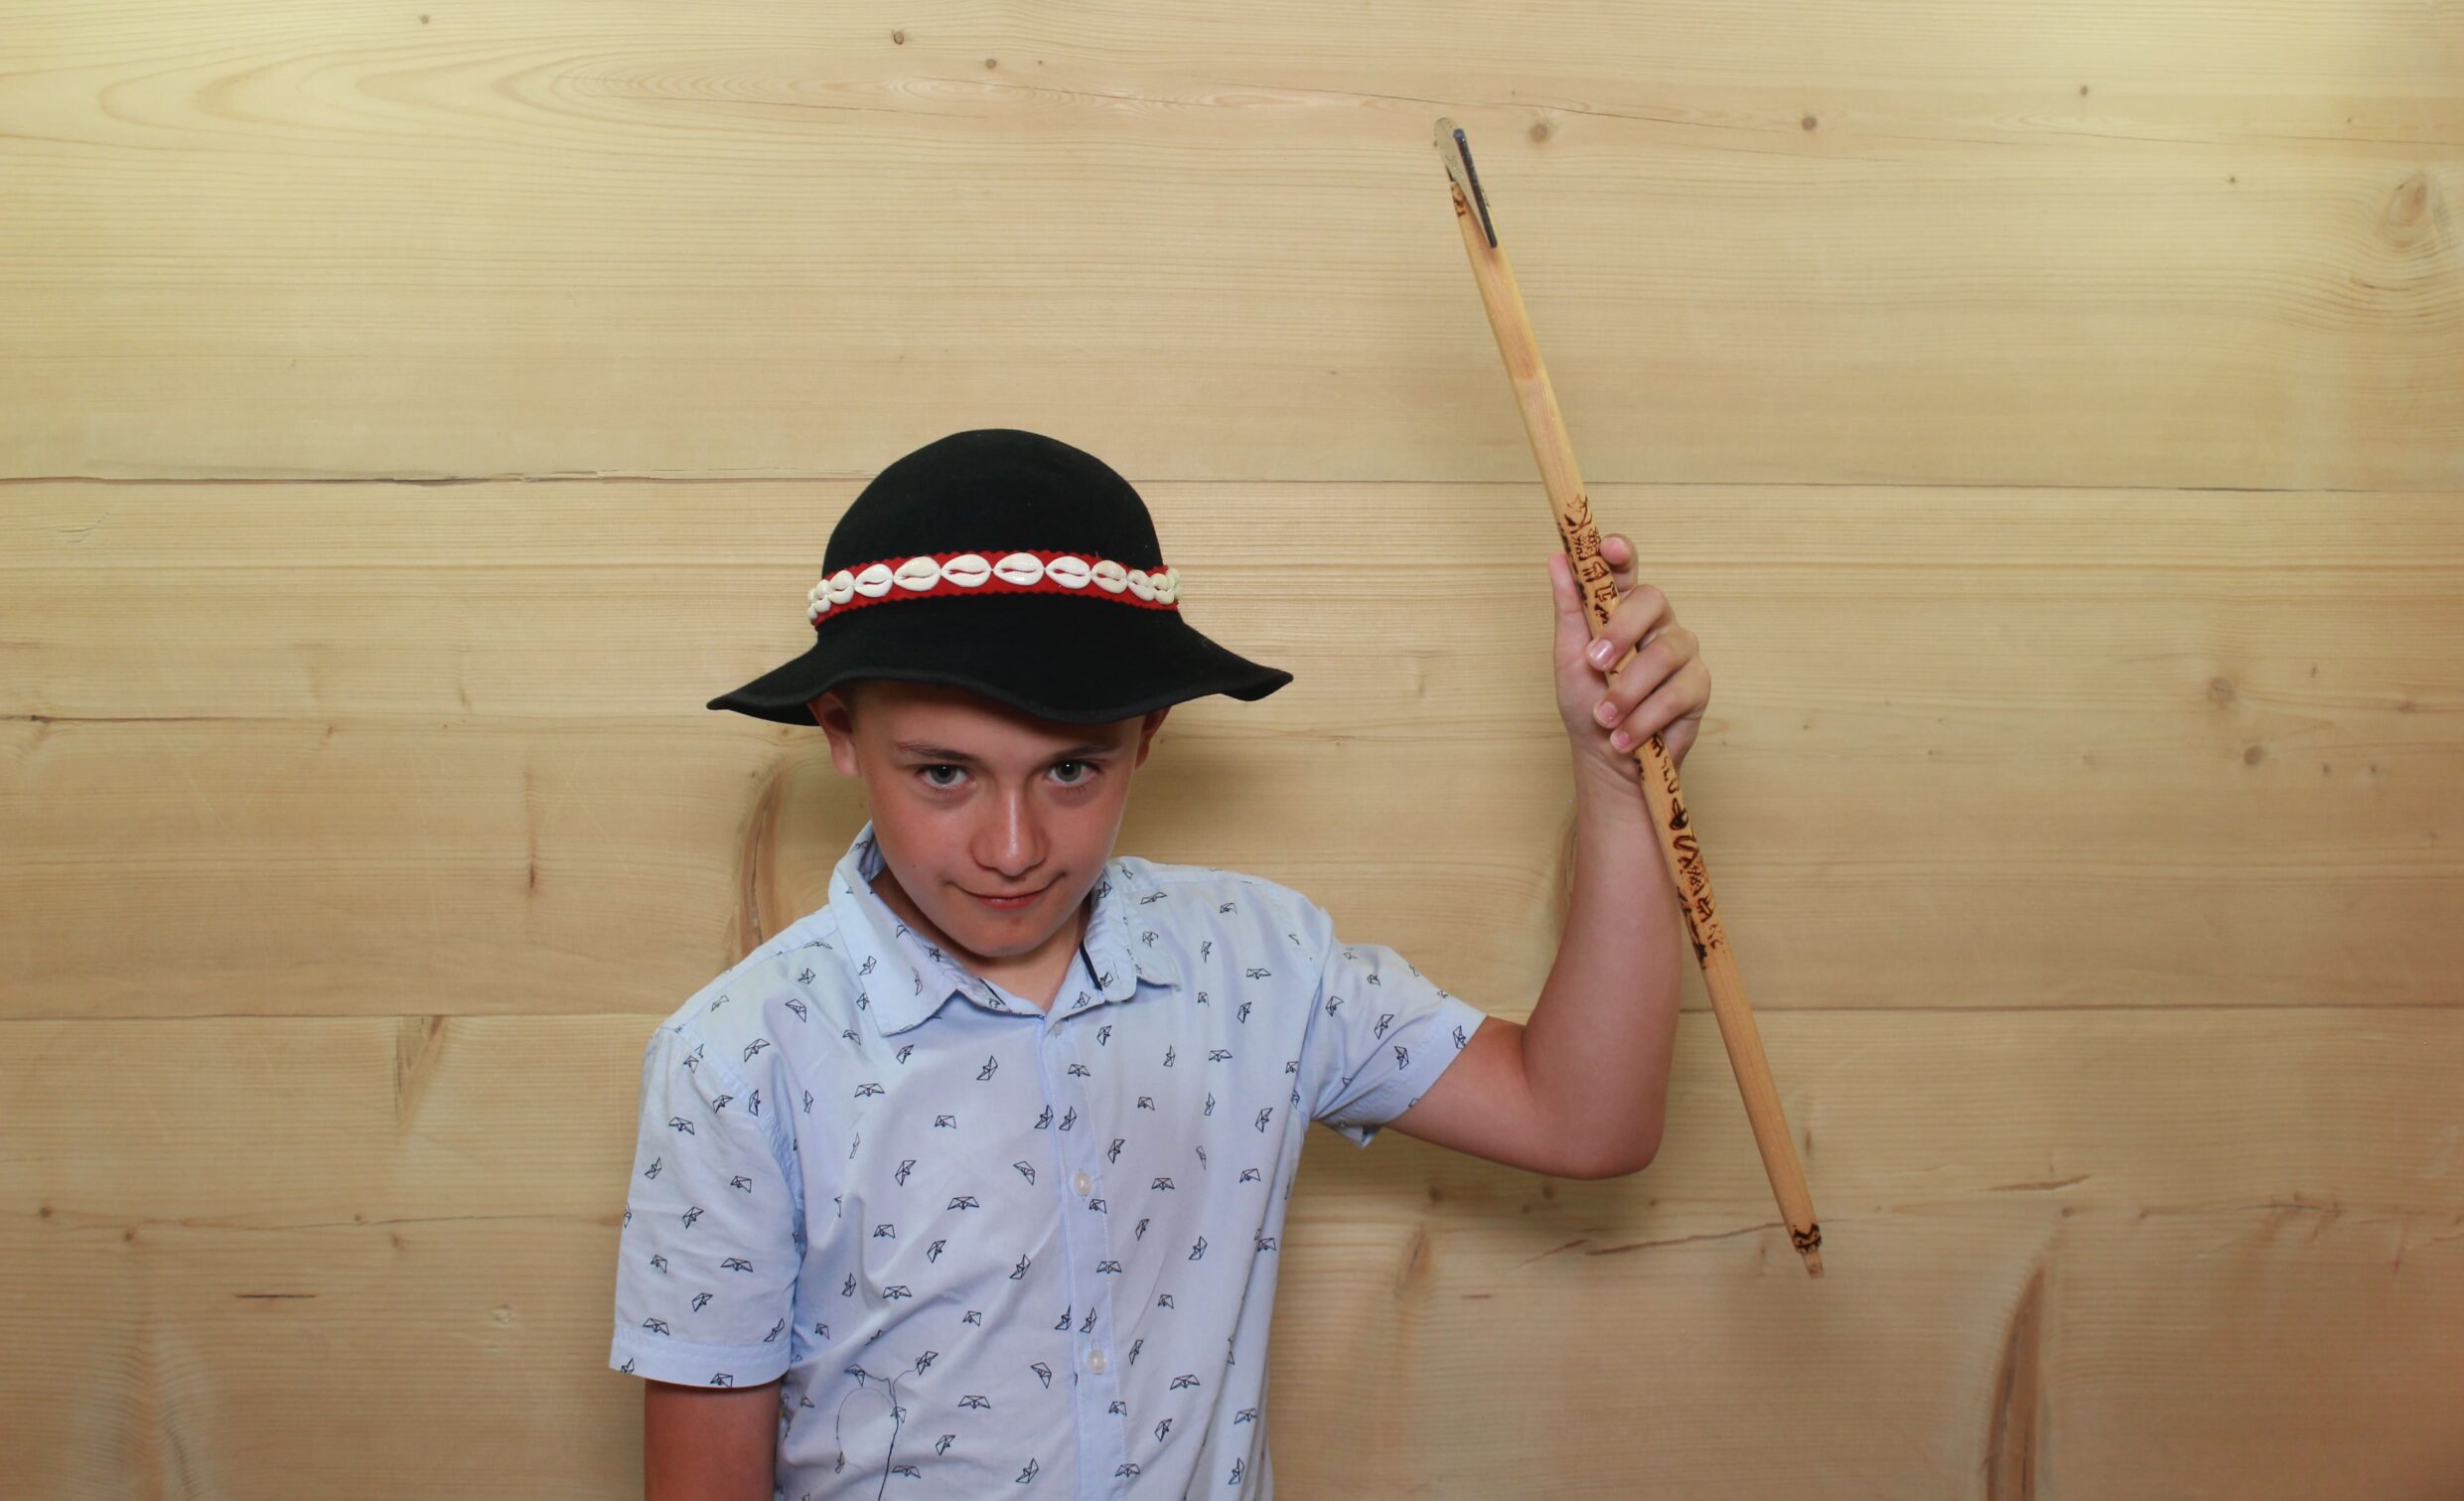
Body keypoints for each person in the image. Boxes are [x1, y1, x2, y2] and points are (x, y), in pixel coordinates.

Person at [610, 428, 1709, 1500]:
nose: (1012, 847)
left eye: (1071, 770)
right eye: (944, 773)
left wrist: (1617, 781)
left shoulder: (1261, 964)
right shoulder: (737, 1060)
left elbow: (1586, 1120)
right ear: (840, 731)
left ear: (1148, 735)